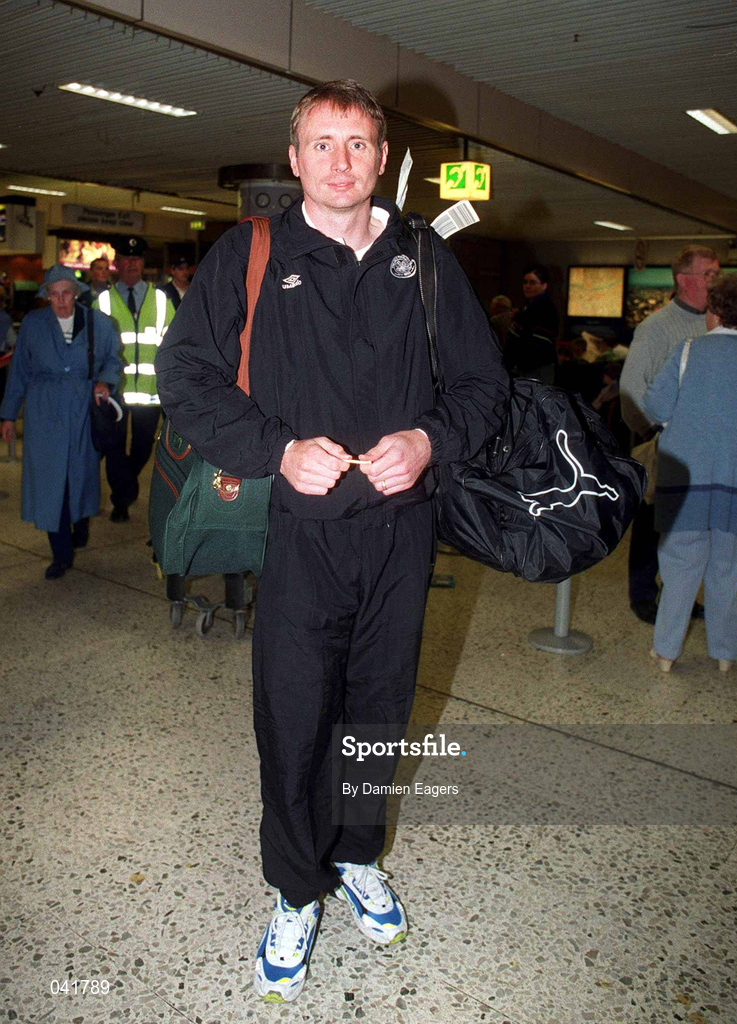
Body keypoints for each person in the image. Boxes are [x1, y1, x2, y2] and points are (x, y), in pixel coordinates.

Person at [155, 79, 508, 1004]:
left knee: (379, 710)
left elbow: (481, 385)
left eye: (357, 143)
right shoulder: (253, 254)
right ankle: (294, 886)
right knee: (295, 713)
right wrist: (276, 449)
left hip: (401, 534)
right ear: (296, 157)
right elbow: (184, 374)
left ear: (382, 158)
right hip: (301, 536)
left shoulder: (425, 257)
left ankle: (357, 856)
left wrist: (427, 438)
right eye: (322, 143)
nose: (340, 160)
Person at [642, 273, 737, 673]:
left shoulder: (687, 351)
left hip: (687, 483)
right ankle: (726, 653)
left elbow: (656, 409)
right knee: (730, 571)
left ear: (716, 312)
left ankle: (666, 651)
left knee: (679, 567)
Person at [0, 266, 121, 578]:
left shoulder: (98, 323)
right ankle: (61, 553)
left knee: (80, 476)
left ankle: (80, 523)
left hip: (84, 408)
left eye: (66, 293)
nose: (60, 300)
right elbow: (20, 371)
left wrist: (105, 381)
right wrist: (8, 414)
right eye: (53, 294)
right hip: (44, 411)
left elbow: (112, 359)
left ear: (76, 292)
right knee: (51, 480)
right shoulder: (33, 324)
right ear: (46, 296)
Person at [620, 244, 719, 624]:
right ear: (684, 280)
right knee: (650, 525)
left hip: (698, 445)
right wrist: (651, 435)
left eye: (716, 273)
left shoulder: (712, 323)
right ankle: (643, 595)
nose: (714, 281)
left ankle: (678, 593)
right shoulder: (656, 327)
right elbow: (631, 387)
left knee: (685, 529)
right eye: (708, 274)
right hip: (663, 443)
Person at [96, 235, 174, 522]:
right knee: (113, 448)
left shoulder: (161, 301)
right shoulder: (102, 302)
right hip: (114, 391)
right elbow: (94, 349)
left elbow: (173, 345)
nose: (132, 264)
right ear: (117, 264)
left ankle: (125, 485)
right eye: (126, 259)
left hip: (150, 392)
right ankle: (121, 500)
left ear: (143, 263)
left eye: (137, 259)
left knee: (142, 447)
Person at [504, 264, 559, 382]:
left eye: (533, 283)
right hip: (523, 368)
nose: (527, 286)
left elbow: (540, 343)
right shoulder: (527, 307)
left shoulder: (546, 309)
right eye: (525, 282)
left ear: (544, 285)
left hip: (537, 368)